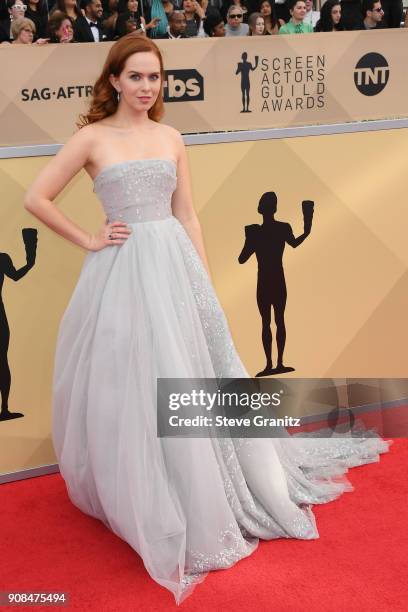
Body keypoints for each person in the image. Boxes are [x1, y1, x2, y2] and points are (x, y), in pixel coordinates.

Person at [24, 34, 392, 605]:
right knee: (131, 382)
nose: (147, 88)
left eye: (155, 78)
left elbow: (187, 214)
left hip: (174, 268)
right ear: (115, 80)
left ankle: (205, 484)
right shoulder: (91, 138)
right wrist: (91, 239)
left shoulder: (171, 137)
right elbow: (37, 199)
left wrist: (202, 284)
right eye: (137, 77)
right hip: (122, 274)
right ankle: (149, 492)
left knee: (196, 371)